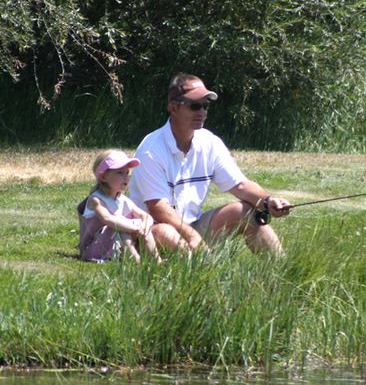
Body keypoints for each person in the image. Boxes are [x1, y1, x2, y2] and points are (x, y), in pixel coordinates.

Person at [128, 72, 291, 255]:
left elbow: (240, 185)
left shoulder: (209, 142)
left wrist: (268, 201)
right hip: (153, 234)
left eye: (205, 106)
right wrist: (194, 239)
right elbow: (158, 209)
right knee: (164, 232)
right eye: (195, 106)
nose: (202, 112)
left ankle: (282, 271)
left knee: (247, 211)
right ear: (173, 108)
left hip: (191, 227)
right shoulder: (151, 150)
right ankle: (202, 269)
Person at [78, 149, 162, 263]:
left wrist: (144, 226)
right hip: (94, 248)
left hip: (113, 245)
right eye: (120, 172)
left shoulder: (123, 199)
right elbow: (107, 219)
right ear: (103, 177)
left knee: (139, 225)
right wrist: (134, 227)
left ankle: (156, 260)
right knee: (120, 225)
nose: (126, 177)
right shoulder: (96, 200)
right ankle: (135, 261)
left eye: (127, 172)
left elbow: (145, 216)